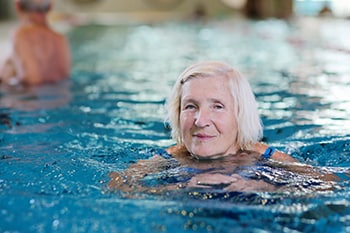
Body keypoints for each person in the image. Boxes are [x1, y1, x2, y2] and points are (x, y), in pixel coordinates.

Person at [108, 61, 336, 194]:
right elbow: (117, 186)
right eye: (190, 106)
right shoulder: (168, 158)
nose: (200, 120)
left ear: (240, 114)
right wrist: (176, 190)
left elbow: (329, 186)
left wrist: (259, 186)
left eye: (217, 106)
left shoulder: (266, 157)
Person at [0, 0, 71, 86]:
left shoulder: (21, 36)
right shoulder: (60, 40)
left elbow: (33, 79)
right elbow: (64, 78)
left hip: (33, 95)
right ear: (50, 7)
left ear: (18, 6)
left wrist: (8, 81)